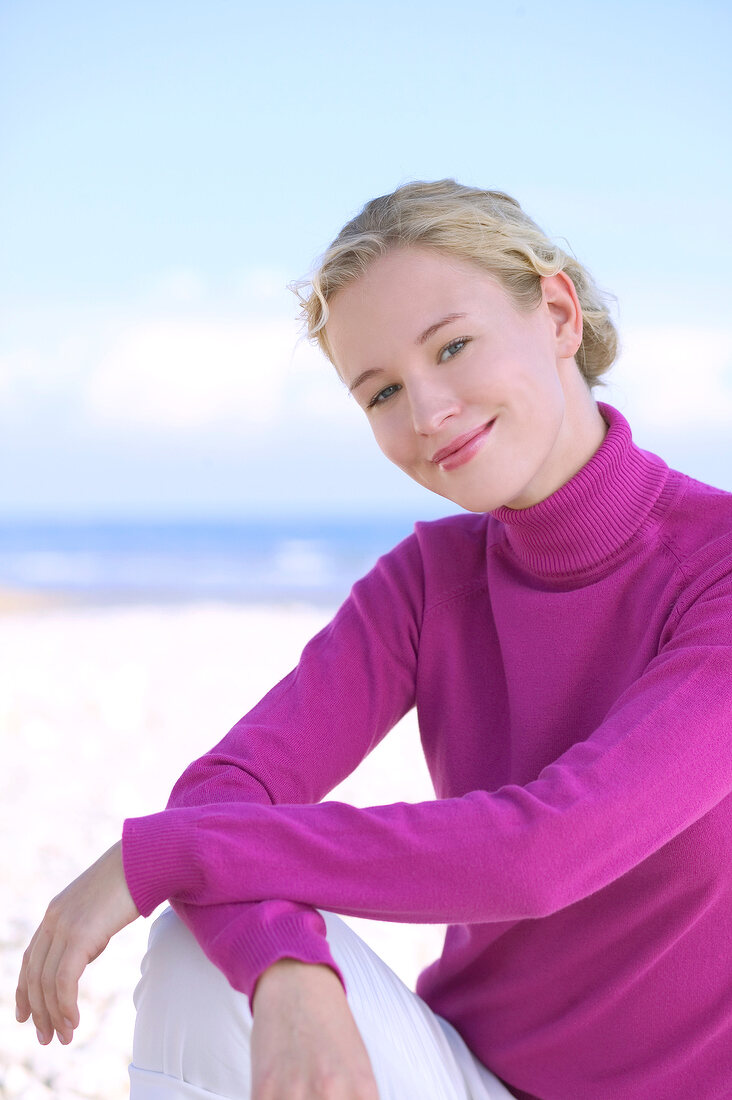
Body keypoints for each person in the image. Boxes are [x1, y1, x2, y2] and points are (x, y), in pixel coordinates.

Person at [15, 180, 732, 1100]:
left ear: (556, 313)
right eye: (383, 390)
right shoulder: (430, 581)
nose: (428, 411)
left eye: (454, 346)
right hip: (465, 1078)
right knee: (204, 946)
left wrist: (176, 852)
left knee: (212, 876)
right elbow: (227, 789)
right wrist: (289, 970)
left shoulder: (715, 566)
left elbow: (541, 855)